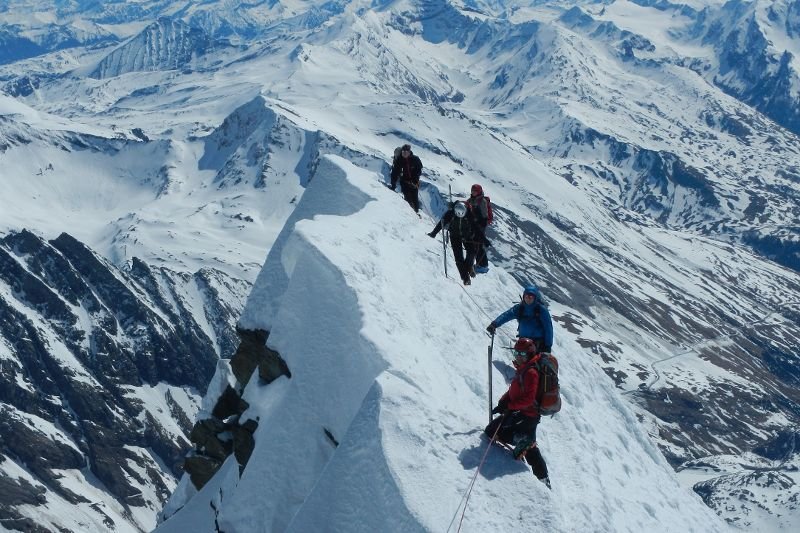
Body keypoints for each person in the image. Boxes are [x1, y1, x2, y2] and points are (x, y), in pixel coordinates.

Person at [485, 337, 551, 488]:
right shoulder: (524, 368)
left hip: (527, 415)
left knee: (494, 432)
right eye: (516, 353)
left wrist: (510, 406)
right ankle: (543, 478)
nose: (518, 357)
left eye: (521, 354)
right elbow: (514, 389)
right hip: (522, 413)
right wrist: (504, 402)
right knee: (530, 448)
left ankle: (523, 442)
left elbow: (528, 399)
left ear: (529, 354)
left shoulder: (531, 372)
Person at [486, 285, 553, 353]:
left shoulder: (541, 310)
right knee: (522, 361)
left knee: (535, 362)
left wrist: (548, 346)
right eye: (526, 297)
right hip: (523, 341)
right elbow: (506, 315)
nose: (528, 299)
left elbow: (548, 328)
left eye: (531, 297)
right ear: (523, 297)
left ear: (535, 298)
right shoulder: (520, 308)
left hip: (538, 343)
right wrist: (494, 324)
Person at [428, 201, 479, 285]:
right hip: (455, 236)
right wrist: (434, 233)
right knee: (458, 257)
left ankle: (469, 266)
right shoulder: (451, 213)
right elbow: (442, 223)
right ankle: (465, 278)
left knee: (472, 252)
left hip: (467, 235)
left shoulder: (470, 214)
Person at [466, 184, 492, 272]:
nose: (473, 192)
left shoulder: (482, 201)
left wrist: (477, 221)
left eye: (475, 191)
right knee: (476, 243)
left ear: (479, 191)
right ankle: (481, 264)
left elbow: (484, 216)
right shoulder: (472, 200)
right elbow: (466, 205)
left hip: (481, 225)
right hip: (475, 225)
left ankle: (483, 265)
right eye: (472, 191)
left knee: (479, 244)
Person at [390, 144, 423, 213]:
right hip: (404, 182)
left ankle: (416, 212)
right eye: (403, 152)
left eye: (406, 152)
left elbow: (419, 169)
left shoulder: (415, 159)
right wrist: (393, 185)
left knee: (415, 199)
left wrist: (415, 180)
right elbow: (395, 173)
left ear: (409, 152)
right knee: (408, 198)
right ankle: (410, 213)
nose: (404, 153)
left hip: (414, 183)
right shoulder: (399, 160)